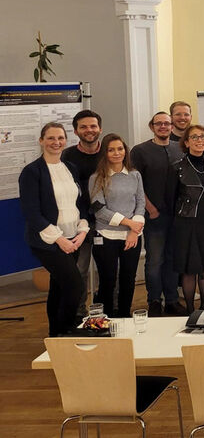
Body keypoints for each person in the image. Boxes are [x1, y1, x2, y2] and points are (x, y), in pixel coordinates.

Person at [19, 122, 89, 336]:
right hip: (48, 242)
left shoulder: (70, 168)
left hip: (73, 238)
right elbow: (32, 213)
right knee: (75, 286)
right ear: (41, 141)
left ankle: (55, 334)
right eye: (50, 138)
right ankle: (67, 330)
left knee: (59, 288)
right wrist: (60, 240)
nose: (56, 142)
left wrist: (82, 231)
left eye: (60, 138)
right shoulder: (32, 172)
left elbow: (79, 203)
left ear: (66, 141)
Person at [164, 125, 204, 313]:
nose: (200, 140)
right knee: (190, 269)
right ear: (187, 142)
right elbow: (169, 198)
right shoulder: (178, 167)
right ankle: (191, 311)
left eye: (203, 136)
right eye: (195, 137)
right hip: (187, 223)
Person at [130, 112, 184, 316]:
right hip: (153, 216)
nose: (163, 126)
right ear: (152, 126)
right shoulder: (140, 151)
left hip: (177, 215)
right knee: (155, 260)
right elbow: (136, 183)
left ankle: (171, 300)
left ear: (171, 127)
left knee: (172, 259)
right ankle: (154, 300)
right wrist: (150, 209)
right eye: (159, 123)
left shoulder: (179, 148)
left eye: (167, 123)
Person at [88, 134, 144, 318]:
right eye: (111, 149)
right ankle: (106, 319)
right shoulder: (97, 178)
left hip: (132, 236)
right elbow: (99, 211)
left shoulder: (135, 175)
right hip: (106, 236)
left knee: (128, 280)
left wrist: (135, 231)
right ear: (104, 153)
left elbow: (141, 203)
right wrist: (130, 224)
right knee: (108, 280)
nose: (116, 153)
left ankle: (125, 316)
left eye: (120, 149)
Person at [61, 109, 102, 315]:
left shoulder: (109, 152)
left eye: (93, 126)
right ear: (76, 131)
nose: (89, 130)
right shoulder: (67, 156)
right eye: (84, 127)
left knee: (109, 270)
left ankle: (108, 311)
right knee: (80, 270)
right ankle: (78, 313)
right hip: (79, 223)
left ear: (100, 129)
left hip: (108, 221)